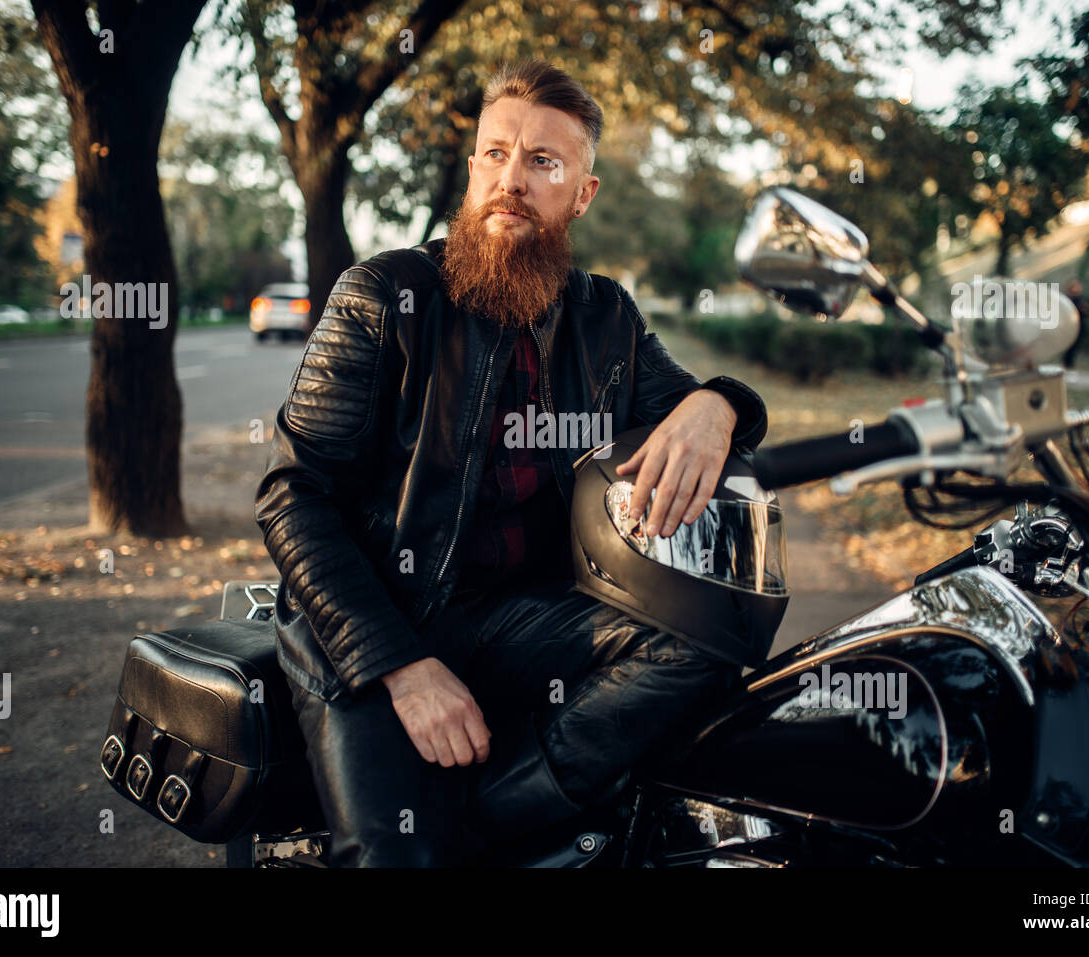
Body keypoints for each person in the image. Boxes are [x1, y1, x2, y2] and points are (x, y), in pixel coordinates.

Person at [254, 60, 768, 867]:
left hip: (521, 617)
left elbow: (693, 408)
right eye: (496, 154)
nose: (512, 180)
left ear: (582, 194)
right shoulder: (382, 296)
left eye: (543, 163)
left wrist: (723, 402)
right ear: (471, 170)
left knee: (710, 642)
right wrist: (403, 668)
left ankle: (489, 822)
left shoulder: (607, 317)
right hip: (376, 618)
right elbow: (293, 499)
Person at [1063, 277, 1089, 369]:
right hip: (1069, 327)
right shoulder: (1067, 300)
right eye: (1074, 286)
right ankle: (1068, 365)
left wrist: (1086, 310)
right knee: (1070, 346)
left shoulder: (1083, 299)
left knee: (1077, 345)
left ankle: (1071, 364)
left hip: (1081, 326)